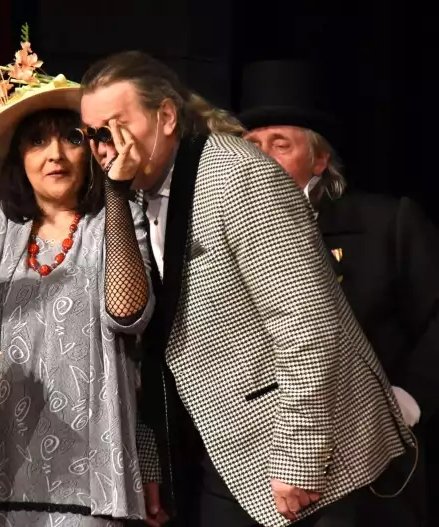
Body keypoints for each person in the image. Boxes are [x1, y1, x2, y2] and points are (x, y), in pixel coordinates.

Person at [79, 50, 414, 527]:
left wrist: (298, 457)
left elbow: (306, 320)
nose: (105, 146)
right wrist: (151, 463)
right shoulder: (134, 196)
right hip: (225, 455)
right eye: (93, 134)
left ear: (166, 117)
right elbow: (147, 344)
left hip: (308, 458)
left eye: (116, 126)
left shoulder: (235, 173)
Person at [0, 34, 160, 527]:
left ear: (93, 149)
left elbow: (127, 313)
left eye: (71, 139)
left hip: (89, 475)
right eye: (37, 141)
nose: (55, 155)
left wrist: (116, 194)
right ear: (19, 157)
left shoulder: (119, 220)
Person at [239, 59, 439, 527]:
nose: (261, 159)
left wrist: (409, 398)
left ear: (319, 160)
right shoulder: (220, 236)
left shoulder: (386, 223)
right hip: (259, 467)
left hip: (370, 466)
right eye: (251, 146)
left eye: (280, 145)